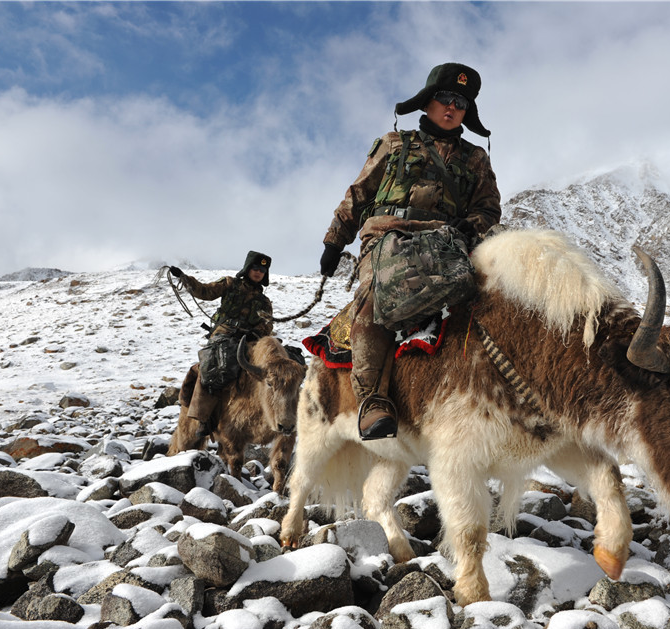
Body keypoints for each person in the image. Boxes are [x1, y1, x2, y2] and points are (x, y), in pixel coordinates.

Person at [319, 62, 502, 440]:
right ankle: (372, 401)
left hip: (447, 243)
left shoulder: (476, 159)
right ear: (428, 101)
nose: (452, 107)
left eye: (461, 103)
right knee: (377, 295)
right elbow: (359, 194)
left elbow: (488, 207)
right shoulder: (394, 143)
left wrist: (475, 225)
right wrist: (335, 240)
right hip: (389, 235)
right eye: (444, 99)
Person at [169, 251, 274, 432]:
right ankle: (204, 418)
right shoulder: (229, 284)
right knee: (213, 368)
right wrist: (184, 279)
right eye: (255, 268)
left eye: (263, 270)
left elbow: (267, 324)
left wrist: (255, 333)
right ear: (248, 268)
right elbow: (205, 291)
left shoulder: (264, 301)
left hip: (250, 340)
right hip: (223, 335)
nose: (258, 272)